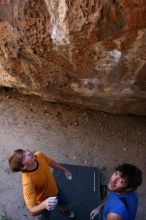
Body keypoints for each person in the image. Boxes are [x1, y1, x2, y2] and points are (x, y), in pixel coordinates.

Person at [8, 149, 75, 219]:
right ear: (23, 167)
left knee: (65, 202)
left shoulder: (39, 155)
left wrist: (64, 170)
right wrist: (44, 205)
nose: (28, 153)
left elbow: (51, 162)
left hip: (56, 190)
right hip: (43, 201)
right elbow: (32, 211)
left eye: (24, 151)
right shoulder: (28, 183)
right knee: (46, 216)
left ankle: (64, 211)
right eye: (24, 157)